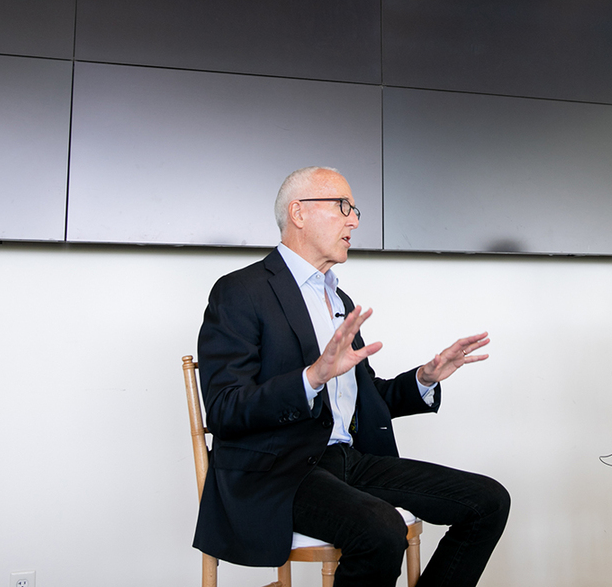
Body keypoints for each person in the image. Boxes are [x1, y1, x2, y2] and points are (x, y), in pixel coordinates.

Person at [193, 166, 510, 587]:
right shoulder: (241, 291)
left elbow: (364, 397)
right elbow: (225, 407)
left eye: (354, 210)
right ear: (299, 213)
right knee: (381, 529)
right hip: (278, 471)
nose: (355, 221)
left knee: (487, 501)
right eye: (343, 207)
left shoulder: (338, 298)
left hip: (350, 460)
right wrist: (310, 378)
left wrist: (425, 378)